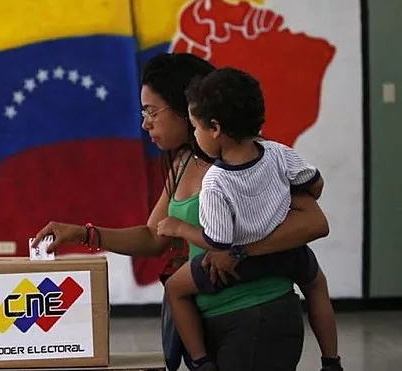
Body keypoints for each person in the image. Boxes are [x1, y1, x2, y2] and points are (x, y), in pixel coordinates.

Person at [31, 52, 331, 371]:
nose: (145, 123)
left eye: (152, 112)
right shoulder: (182, 163)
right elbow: (153, 236)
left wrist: (238, 251)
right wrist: (82, 233)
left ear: (186, 110)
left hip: (257, 316)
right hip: (209, 320)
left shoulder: (249, 160)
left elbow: (314, 221)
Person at [157, 68, 342, 371]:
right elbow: (316, 184)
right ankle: (331, 361)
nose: (194, 135)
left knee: (175, 289)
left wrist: (179, 227)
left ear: (214, 127)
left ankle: (201, 361)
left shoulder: (216, 180)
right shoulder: (278, 153)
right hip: (287, 256)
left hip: (236, 265)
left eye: (195, 128)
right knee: (317, 283)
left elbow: (218, 243)